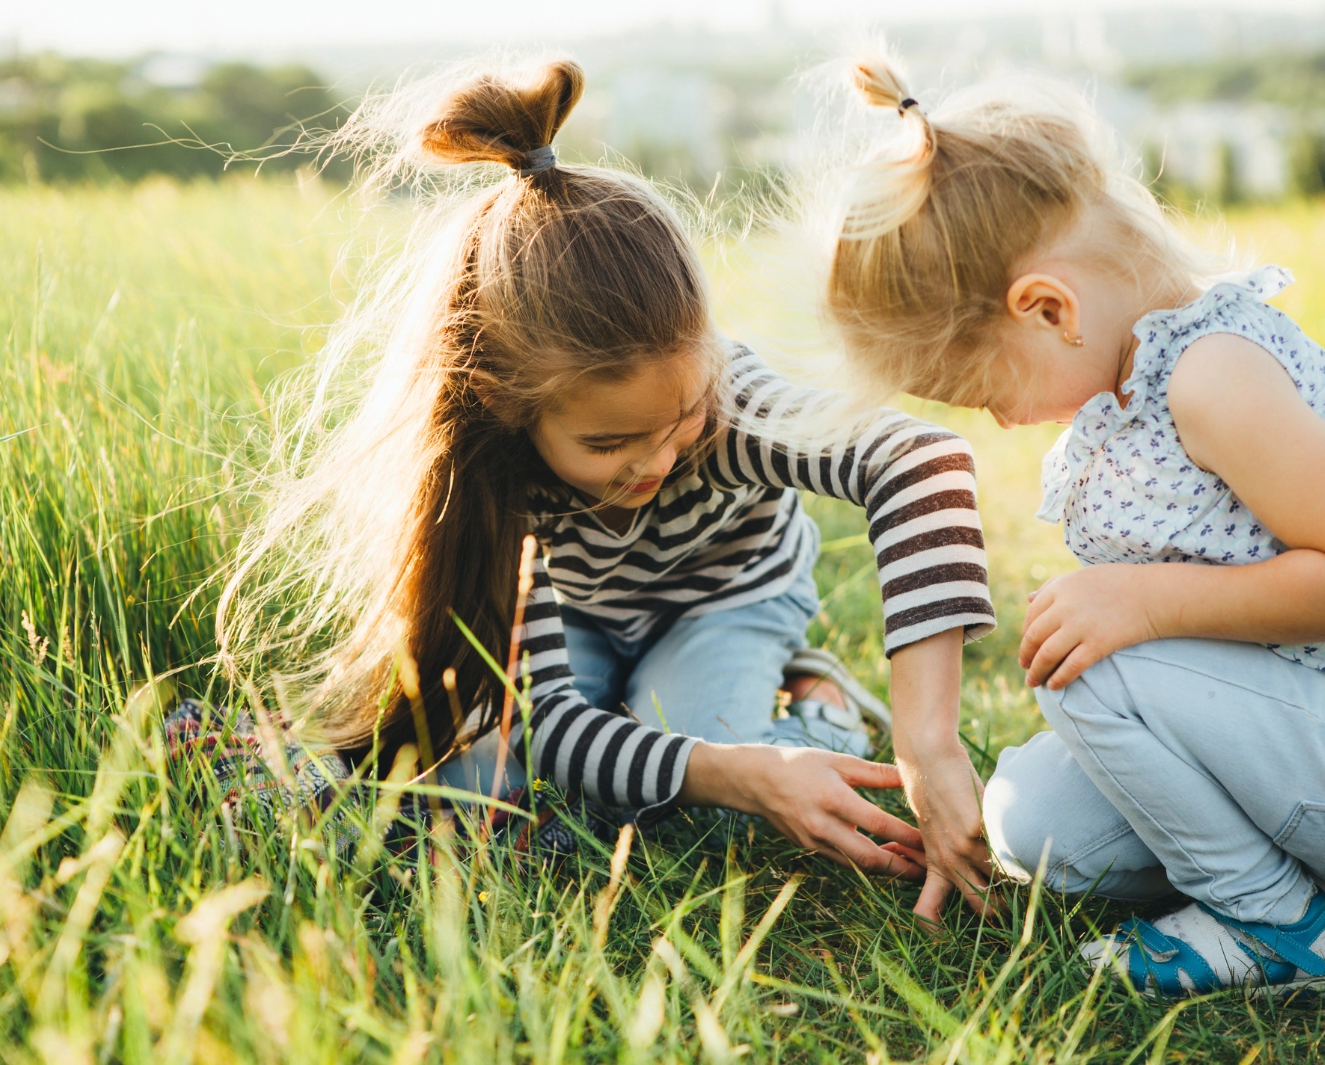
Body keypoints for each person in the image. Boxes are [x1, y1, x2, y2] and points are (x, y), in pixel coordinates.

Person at [213, 58, 998, 906]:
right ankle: (702, 727)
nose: (659, 460)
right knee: (486, 770)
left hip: (724, 600)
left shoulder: (729, 409)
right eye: (609, 441)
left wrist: (926, 739)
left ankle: (817, 707)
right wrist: (729, 771)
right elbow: (554, 730)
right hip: (577, 612)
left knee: (708, 795)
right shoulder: (493, 476)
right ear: (509, 408)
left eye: (681, 416)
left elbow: (921, 461)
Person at [814, 56, 1325, 994]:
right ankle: (1264, 872)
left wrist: (1143, 603)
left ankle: (1273, 924)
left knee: (1094, 647)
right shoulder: (1130, 381)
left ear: (1048, 309)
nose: (997, 421)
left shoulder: (1214, 377)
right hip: (1307, 730)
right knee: (1032, 823)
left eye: (981, 391)